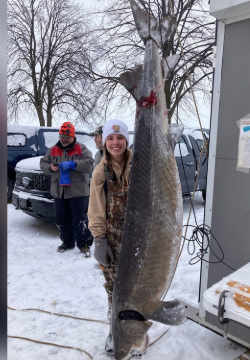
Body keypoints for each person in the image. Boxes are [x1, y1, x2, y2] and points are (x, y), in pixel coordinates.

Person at [88, 119, 133, 352]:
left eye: (120, 138)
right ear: (105, 142)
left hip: (139, 239)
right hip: (113, 240)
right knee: (114, 289)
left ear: (126, 140)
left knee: (137, 288)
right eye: (111, 138)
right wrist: (99, 240)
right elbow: (96, 209)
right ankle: (114, 332)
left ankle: (134, 332)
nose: (116, 143)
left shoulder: (140, 166)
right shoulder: (100, 171)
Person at [40, 122, 95, 256]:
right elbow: (43, 163)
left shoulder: (82, 149)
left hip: (78, 192)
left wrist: (73, 164)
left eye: (66, 137)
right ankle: (67, 243)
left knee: (80, 219)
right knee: (62, 219)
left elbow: (89, 165)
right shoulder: (53, 149)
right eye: (61, 136)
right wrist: (50, 167)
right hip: (59, 191)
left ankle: (84, 244)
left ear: (73, 136)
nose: (63, 139)